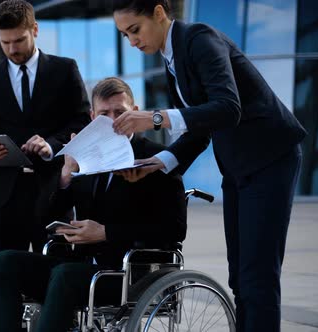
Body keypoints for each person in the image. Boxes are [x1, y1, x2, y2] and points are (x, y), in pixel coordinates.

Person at [110, 1, 307, 331]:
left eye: (135, 30)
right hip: (238, 167)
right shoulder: (171, 58)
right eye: (124, 35)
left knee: (257, 277)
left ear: (159, 13)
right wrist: (158, 163)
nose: (132, 41)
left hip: (271, 160)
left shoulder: (199, 39)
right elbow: (200, 128)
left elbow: (229, 108)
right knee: (240, 277)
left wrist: (155, 118)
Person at [0, 77, 187, 332]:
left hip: (132, 272)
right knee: (4, 263)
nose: (113, 121)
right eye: (104, 114)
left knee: (65, 276)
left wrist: (105, 232)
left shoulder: (157, 159)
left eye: (121, 113)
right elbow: (41, 218)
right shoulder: (85, 156)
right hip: (81, 267)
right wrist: (65, 175)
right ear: (92, 117)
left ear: (135, 113)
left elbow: (174, 229)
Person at [0, 0, 91, 257]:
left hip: (53, 194)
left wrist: (51, 145)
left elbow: (82, 123)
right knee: (6, 281)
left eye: (19, 40)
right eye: (5, 42)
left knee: (56, 279)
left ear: (35, 29)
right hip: (2, 199)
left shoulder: (64, 69)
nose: (12, 49)